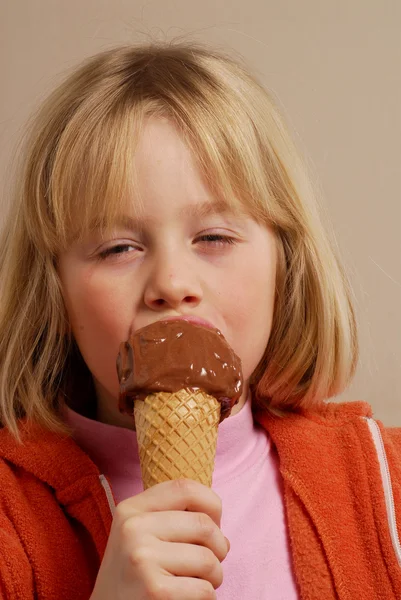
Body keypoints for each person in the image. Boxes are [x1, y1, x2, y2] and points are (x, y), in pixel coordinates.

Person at [0, 40, 400, 600]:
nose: (171, 284)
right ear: (54, 293)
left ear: (286, 268)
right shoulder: (10, 522)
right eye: (118, 248)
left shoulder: (386, 488)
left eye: (213, 237)